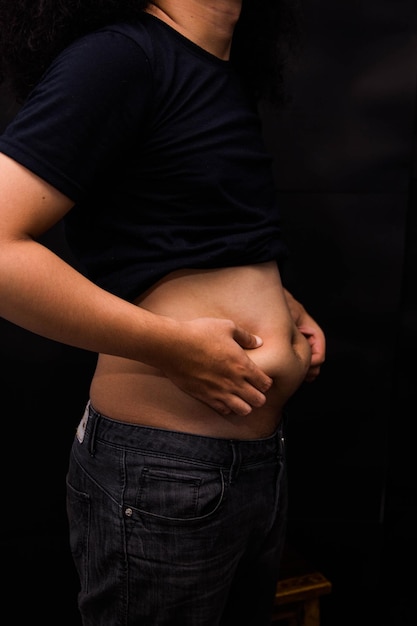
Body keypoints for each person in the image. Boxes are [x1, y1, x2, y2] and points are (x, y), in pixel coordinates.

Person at [0, 1, 325, 624]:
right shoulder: (121, 55)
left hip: (254, 466)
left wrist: (281, 310)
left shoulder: (218, 65)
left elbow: (182, 236)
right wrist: (171, 346)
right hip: (165, 473)